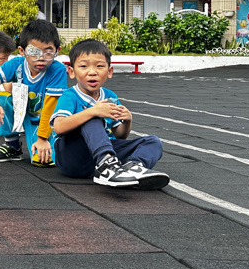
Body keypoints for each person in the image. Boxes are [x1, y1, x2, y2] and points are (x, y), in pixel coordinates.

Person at [52, 39, 168, 189]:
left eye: (99, 66)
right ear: (72, 72)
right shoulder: (69, 96)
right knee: (93, 117)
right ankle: (106, 167)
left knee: (153, 142)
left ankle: (133, 168)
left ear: (109, 71)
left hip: (102, 154)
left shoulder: (110, 96)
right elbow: (59, 127)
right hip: (73, 157)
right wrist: (93, 111)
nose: (92, 72)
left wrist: (127, 121)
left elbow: (120, 136)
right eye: (83, 66)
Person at [0, 19, 66, 166]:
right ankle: (12, 145)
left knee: (43, 161)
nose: (41, 58)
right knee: (1, 99)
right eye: (33, 52)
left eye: (48, 52)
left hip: (49, 119)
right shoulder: (17, 65)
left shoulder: (57, 70)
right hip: (25, 114)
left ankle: (53, 141)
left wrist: (42, 138)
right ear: (22, 51)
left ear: (57, 51)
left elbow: (50, 107)